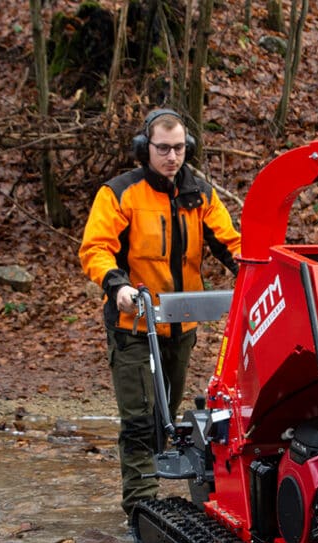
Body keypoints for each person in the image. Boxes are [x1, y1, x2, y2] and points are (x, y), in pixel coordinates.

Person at [78, 108, 241, 520]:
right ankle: (141, 507)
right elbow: (95, 248)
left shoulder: (199, 193)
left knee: (169, 414)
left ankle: (185, 491)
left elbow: (231, 244)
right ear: (144, 149)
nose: (172, 157)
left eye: (179, 148)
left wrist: (257, 273)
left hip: (180, 325)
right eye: (163, 148)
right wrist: (118, 286)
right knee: (139, 419)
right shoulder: (119, 193)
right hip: (133, 324)